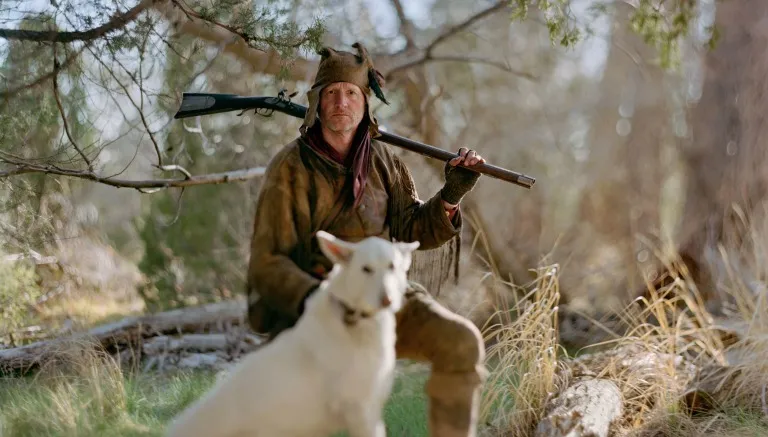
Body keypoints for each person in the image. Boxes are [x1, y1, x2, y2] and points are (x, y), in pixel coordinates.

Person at [245, 42, 488, 437]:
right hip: (321, 305)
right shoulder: (289, 168)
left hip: (386, 293)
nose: (342, 102)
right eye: (332, 93)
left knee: (461, 342)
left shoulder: (383, 160)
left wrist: (451, 195)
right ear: (317, 105)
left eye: (352, 93)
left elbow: (411, 229)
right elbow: (268, 262)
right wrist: (318, 301)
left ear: (365, 103)